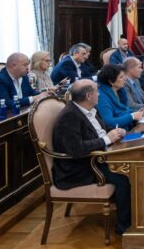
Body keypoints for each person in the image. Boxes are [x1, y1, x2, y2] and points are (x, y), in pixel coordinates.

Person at [51, 79, 132, 235]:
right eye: (96, 91)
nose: (99, 94)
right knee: (124, 177)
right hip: (79, 169)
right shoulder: (69, 116)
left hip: (97, 158)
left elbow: (103, 129)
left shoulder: (90, 109)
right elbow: (76, 149)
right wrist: (107, 139)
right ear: (89, 96)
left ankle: (134, 214)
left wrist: (117, 131)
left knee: (131, 166)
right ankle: (125, 226)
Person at [96, 64, 144, 129]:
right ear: (111, 81)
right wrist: (132, 116)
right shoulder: (101, 97)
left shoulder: (120, 91)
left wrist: (138, 112)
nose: (125, 79)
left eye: (124, 76)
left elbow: (125, 111)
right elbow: (108, 122)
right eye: (121, 77)